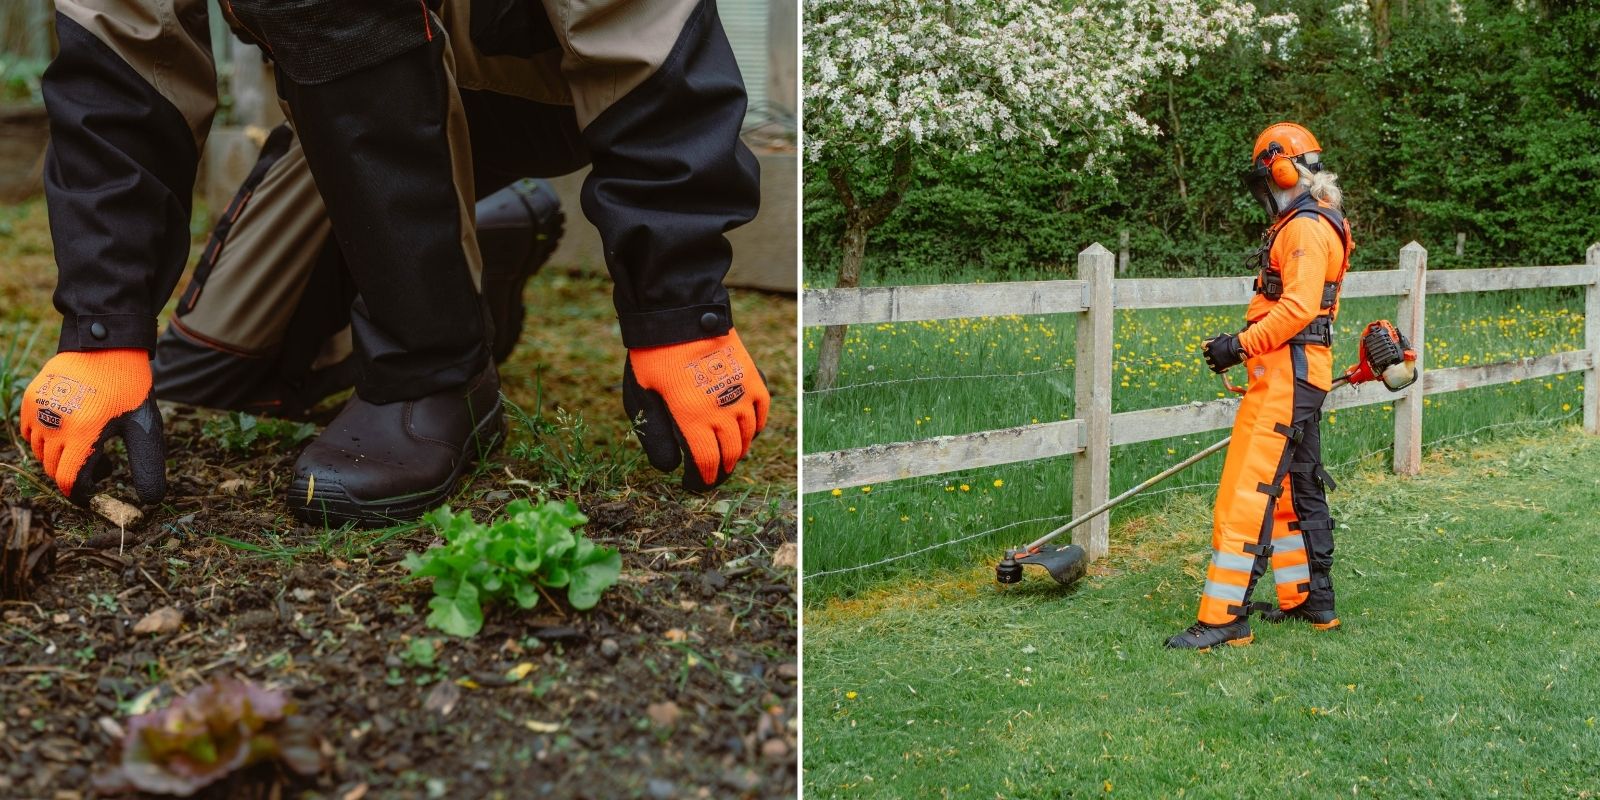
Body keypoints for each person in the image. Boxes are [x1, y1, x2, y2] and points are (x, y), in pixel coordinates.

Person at [20, 0, 770, 526]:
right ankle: (484, 250)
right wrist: (104, 328)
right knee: (212, 375)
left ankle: (434, 366)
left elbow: (643, 25)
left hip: (537, 66)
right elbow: (121, 51)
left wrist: (679, 311)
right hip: (347, 81)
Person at [1166, 121, 1352, 651]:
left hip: (1285, 377)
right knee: (1296, 486)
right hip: (1298, 374)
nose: (1264, 192)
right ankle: (1311, 601)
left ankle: (1224, 618)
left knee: (1246, 493)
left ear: (1284, 169)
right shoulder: (1314, 222)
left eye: (1265, 179)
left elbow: (1296, 309)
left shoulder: (1305, 229)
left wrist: (1237, 346)